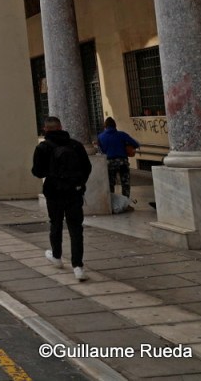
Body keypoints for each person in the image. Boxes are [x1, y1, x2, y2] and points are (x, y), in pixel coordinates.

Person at [32, 116, 92, 281]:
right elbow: (87, 167)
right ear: (61, 127)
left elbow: (37, 172)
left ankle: (57, 257)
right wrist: (78, 183)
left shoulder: (43, 147)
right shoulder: (75, 145)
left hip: (54, 193)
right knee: (76, 229)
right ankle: (78, 266)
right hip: (74, 192)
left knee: (56, 224)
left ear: (45, 129)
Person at [97, 117, 138, 198]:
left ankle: (112, 203)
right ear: (115, 126)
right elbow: (135, 144)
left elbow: (100, 151)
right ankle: (126, 202)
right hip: (122, 162)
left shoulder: (100, 136)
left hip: (109, 162)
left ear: (105, 126)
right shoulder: (122, 135)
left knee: (110, 184)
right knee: (125, 183)